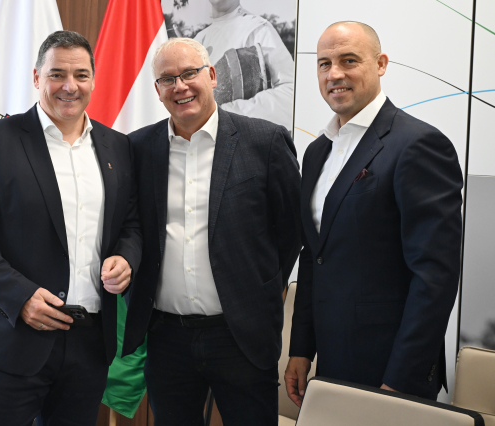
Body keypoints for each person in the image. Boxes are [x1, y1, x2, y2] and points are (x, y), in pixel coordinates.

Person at [0, 31, 142, 426]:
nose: (70, 86)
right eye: (57, 74)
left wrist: (127, 258)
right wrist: (20, 297)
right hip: (14, 341)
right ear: (36, 77)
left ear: (93, 79)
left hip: (90, 343)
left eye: (81, 75)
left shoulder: (118, 146)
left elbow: (131, 224)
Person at [122, 38, 301, 425]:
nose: (180, 86)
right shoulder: (138, 148)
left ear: (213, 76)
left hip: (241, 335)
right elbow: (130, 225)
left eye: (190, 73)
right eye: (167, 79)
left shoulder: (265, 141)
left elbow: (291, 230)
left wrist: (267, 286)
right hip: (166, 337)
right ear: (157, 90)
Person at [285, 22, 463, 405]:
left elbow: (435, 276)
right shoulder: (317, 152)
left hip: (390, 370)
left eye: (349, 60)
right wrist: (301, 348)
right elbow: (315, 256)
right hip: (331, 361)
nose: (334, 74)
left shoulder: (418, 144)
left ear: (380, 64)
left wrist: (402, 378)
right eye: (324, 63)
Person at [194, 0, 295, 130]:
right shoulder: (198, 39)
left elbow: (290, 95)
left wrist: (223, 115)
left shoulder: (258, 29)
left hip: (244, 139)